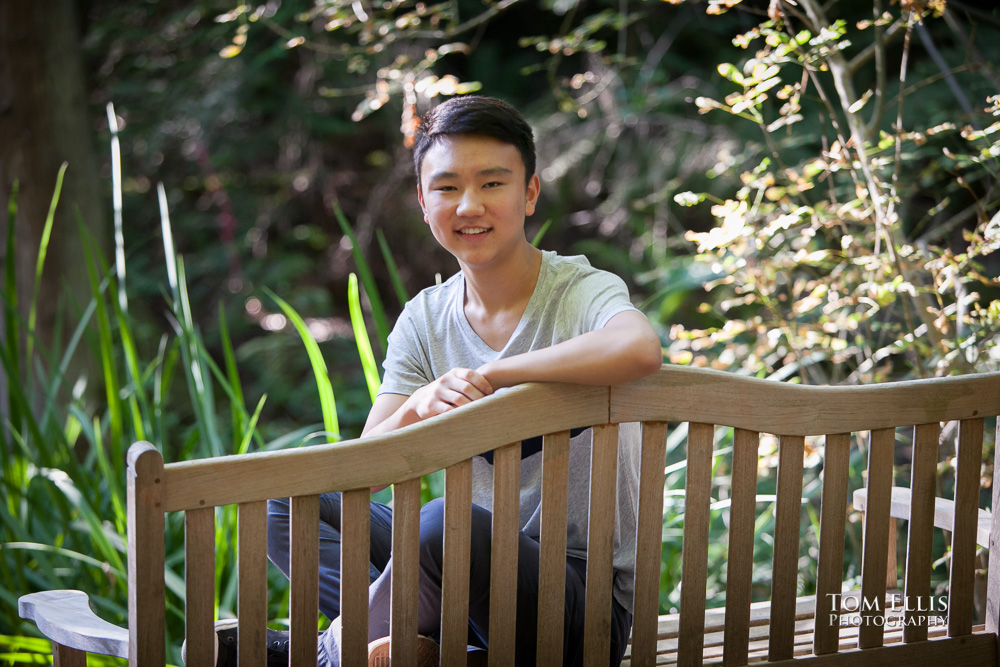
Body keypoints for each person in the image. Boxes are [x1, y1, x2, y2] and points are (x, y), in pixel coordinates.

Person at [233, 95, 661, 667]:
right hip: (464, 580)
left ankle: (330, 654)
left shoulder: (577, 292)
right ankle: (408, 644)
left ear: (530, 192)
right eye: (447, 187)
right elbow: (366, 464)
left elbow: (637, 347)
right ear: (422, 199)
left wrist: (493, 375)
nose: (469, 205)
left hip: (578, 612)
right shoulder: (425, 319)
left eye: (492, 183)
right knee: (289, 497)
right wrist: (420, 404)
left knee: (447, 524)